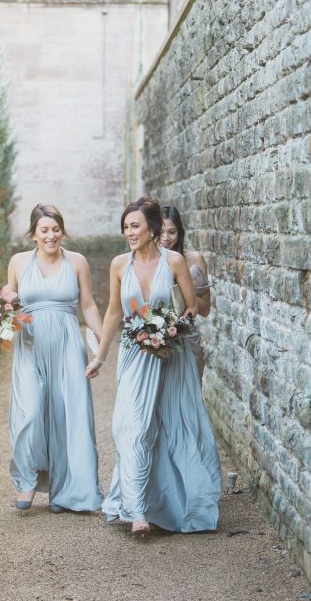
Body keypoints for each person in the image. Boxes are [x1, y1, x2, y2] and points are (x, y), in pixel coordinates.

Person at [86, 196, 220, 535]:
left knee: (174, 424)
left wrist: (168, 329)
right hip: (135, 356)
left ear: (152, 229)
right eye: (126, 227)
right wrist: (100, 356)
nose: (129, 233)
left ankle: (177, 502)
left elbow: (191, 307)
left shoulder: (174, 261)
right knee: (131, 426)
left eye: (135, 226)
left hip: (171, 355)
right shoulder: (119, 264)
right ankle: (136, 510)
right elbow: (114, 311)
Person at [6, 203, 103, 513]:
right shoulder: (19, 262)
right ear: (33, 234)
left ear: (63, 231)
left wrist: (101, 341)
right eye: (44, 230)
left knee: (68, 415)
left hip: (66, 344)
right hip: (30, 345)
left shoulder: (77, 261)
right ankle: (27, 480)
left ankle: (66, 491)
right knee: (30, 412)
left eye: (56, 229)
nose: (51, 235)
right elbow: (8, 299)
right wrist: (1, 310)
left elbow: (88, 305)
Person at [160, 204, 212, 379]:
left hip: (187, 339)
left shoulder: (194, 259)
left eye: (172, 232)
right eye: (161, 232)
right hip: (157, 341)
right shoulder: (149, 262)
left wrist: (184, 292)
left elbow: (205, 309)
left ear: (180, 232)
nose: (166, 238)